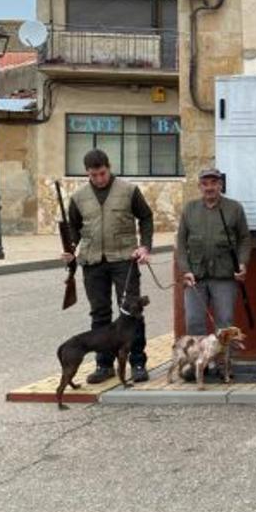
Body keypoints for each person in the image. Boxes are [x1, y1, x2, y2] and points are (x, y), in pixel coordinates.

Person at [63, 148, 154, 383]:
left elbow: (146, 217)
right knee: (99, 314)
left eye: (102, 173)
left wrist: (145, 246)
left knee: (132, 312)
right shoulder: (79, 196)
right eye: (93, 175)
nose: (99, 179)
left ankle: (138, 363)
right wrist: (70, 249)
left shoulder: (128, 190)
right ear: (87, 173)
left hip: (125, 258)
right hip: (93, 262)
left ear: (109, 168)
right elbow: (73, 226)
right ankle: (104, 365)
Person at [175, 168, 251, 375]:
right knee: (194, 321)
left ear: (220, 185)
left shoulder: (234, 208)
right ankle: (197, 364)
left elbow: (245, 239)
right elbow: (181, 243)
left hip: (224, 275)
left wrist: (242, 263)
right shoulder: (190, 209)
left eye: (214, 183)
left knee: (225, 322)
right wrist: (185, 270)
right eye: (205, 183)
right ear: (199, 186)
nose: (210, 187)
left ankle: (223, 364)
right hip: (195, 277)